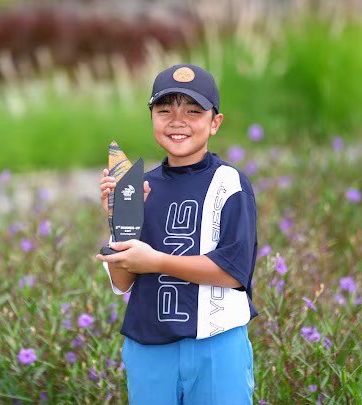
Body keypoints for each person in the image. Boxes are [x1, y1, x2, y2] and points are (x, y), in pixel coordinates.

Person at [95, 63, 258, 405]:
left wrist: (156, 261)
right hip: (148, 349)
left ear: (215, 122)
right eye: (164, 110)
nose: (177, 121)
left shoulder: (229, 182)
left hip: (217, 345)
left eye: (194, 111)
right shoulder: (140, 186)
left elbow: (233, 272)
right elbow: (122, 282)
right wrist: (118, 218)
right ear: (152, 118)